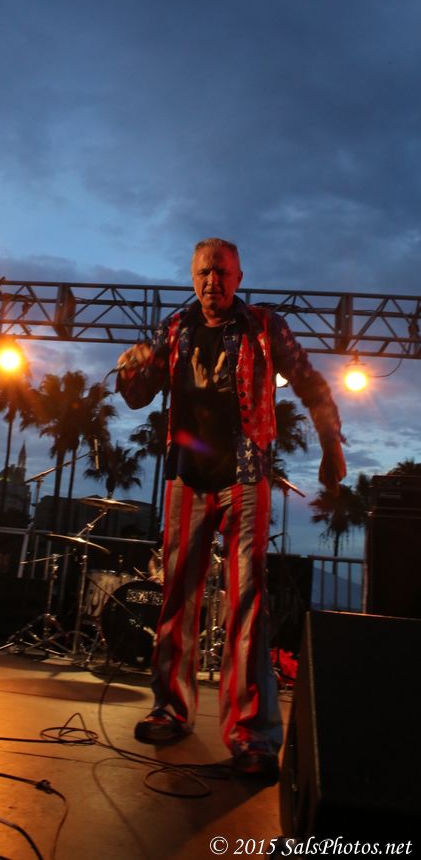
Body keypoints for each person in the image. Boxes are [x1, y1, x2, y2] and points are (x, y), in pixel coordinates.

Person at [116, 238, 346, 780]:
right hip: (186, 476)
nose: (211, 282)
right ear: (192, 276)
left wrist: (330, 443)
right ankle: (170, 709)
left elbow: (309, 381)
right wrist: (130, 369)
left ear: (239, 276)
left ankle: (252, 734)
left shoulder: (264, 326)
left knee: (246, 601)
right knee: (177, 594)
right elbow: (138, 395)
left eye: (221, 272)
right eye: (203, 272)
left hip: (243, 475)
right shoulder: (174, 328)